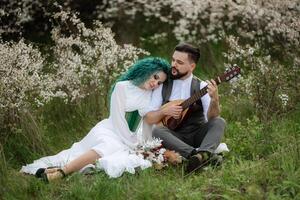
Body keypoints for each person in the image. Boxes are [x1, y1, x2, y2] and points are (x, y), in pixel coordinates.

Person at [21, 57, 170, 181]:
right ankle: (61, 174)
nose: (155, 83)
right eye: (155, 77)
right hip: (112, 129)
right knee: (109, 145)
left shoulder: (150, 94)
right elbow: (117, 119)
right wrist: (130, 143)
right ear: (146, 70)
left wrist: (140, 143)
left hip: (131, 135)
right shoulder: (122, 87)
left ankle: (54, 171)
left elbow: (145, 120)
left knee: (118, 156)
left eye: (159, 83)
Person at [144, 43, 226, 173]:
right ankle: (200, 156)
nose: (174, 65)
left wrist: (215, 99)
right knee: (156, 131)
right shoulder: (163, 86)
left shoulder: (201, 86)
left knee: (219, 121)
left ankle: (199, 156)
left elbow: (211, 118)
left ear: (192, 66)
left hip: (197, 135)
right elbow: (148, 118)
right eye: (173, 60)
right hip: (174, 138)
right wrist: (164, 111)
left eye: (180, 62)